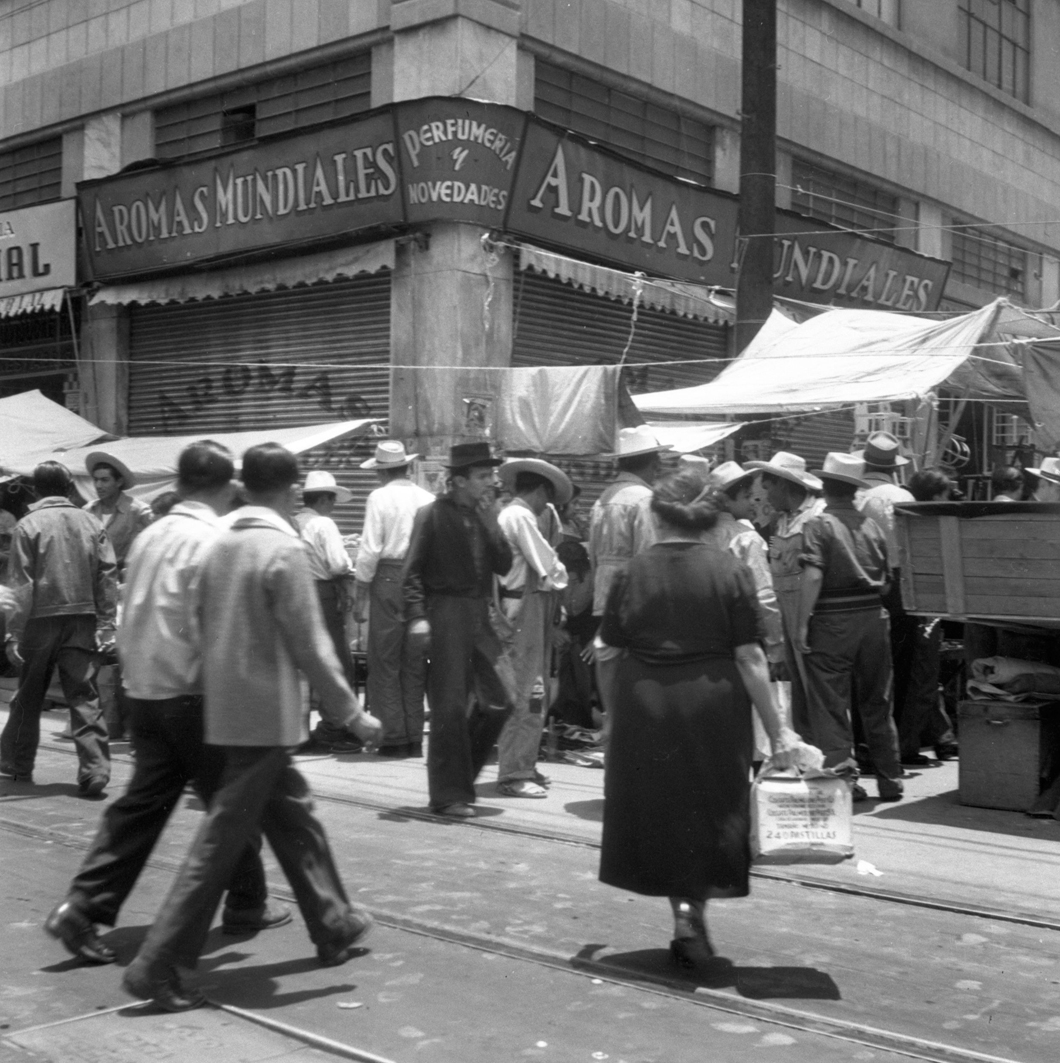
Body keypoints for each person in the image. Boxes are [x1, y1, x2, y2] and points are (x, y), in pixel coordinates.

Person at [121, 444, 383, 1011]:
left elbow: (195, 623)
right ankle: (157, 963)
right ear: (290, 491)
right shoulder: (280, 549)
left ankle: (333, 920)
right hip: (266, 716)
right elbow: (311, 645)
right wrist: (353, 715)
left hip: (224, 710)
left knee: (294, 813)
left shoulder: (221, 545)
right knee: (218, 844)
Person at [43, 442, 289, 967]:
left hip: (144, 691)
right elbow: (220, 628)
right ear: (227, 489)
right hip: (193, 694)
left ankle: (81, 909)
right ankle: (227, 916)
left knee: (143, 807)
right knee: (231, 805)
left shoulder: (151, 533)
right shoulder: (215, 540)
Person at [597, 467, 801, 969]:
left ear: (657, 514)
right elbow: (751, 658)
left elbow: (607, 654)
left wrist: (610, 717)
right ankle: (692, 911)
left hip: (646, 704)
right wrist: (778, 731)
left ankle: (683, 914)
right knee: (707, 809)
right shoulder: (730, 570)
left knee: (663, 811)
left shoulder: (631, 571)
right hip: (713, 705)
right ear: (710, 516)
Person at [403, 441, 514, 818]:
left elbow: (503, 564)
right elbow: (412, 571)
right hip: (445, 610)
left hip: (479, 613)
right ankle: (449, 794)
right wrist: (418, 616)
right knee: (450, 704)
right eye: (484, 476)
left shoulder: (486, 515)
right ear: (460, 480)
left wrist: (492, 525)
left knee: (504, 697)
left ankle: (458, 775)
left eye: (492, 475)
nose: (491, 482)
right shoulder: (432, 515)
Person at [1, 462, 117, 795]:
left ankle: (18, 763)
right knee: (84, 695)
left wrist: (14, 633)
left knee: (29, 695)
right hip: (83, 620)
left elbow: (20, 584)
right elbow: (106, 576)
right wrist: (107, 624)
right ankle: (95, 770)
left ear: (35, 490)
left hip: (39, 622)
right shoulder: (91, 521)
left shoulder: (28, 525)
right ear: (69, 488)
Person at [796, 453, 903, 801]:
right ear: (854, 491)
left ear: (825, 489)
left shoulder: (818, 525)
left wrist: (801, 625)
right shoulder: (871, 526)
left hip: (832, 618)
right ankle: (890, 778)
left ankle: (844, 778)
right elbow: (886, 583)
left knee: (830, 701)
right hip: (873, 616)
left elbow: (813, 575)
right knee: (877, 699)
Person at [494, 458, 571, 798]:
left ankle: (523, 762)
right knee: (527, 690)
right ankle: (514, 770)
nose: (546, 507)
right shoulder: (520, 516)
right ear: (539, 490)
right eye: (546, 499)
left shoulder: (513, 515)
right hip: (522, 609)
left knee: (533, 688)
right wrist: (560, 575)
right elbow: (549, 566)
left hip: (526, 607)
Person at [353, 441, 435, 757]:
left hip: (388, 578)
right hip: (420, 581)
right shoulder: (427, 498)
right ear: (407, 467)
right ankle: (414, 736)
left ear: (381, 472)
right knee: (414, 663)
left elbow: (371, 548)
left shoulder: (379, 497)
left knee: (385, 661)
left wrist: (361, 589)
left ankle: (393, 737)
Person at [588, 426, 674, 727]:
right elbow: (649, 555)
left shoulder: (602, 499)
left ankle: (615, 724)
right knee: (639, 666)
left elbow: (593, 554)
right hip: (635, 597)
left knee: (611, 663)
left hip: (604, 595)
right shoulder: (645, 500)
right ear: (652, 463)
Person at [706, 461, 788, 761]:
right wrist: (777, 647)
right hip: (741, 639)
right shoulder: (746, 537)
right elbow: (764, 597)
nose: (754, 505)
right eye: (749, 498)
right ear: (732, 498)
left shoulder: (698, 534)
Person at [744, 451, 824, 742]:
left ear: (783, 485)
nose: (765, 496)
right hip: (783, 611)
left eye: (768, 487)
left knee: (815, 688)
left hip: (806, 610)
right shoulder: (782, 520)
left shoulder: (816, 516)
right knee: (795, 689)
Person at [294, 469, 363, 754]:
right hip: (322, 594)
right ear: (323, 499)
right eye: (332, 499)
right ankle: (333, 728)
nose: (334, 505)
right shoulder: (324, 524)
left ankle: (299, 731)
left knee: (301, 665)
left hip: (297, 592)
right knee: (335, 661)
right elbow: (337, 565)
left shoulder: (294, 522)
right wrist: (347, 558)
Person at [900, 468, 959, 763]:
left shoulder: (909, 518)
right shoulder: (930, 524)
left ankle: (943, 737)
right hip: (927, 611)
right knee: (923, 679)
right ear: (936, 495)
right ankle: (908, 746)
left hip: (912, 607)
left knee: (922, 678)